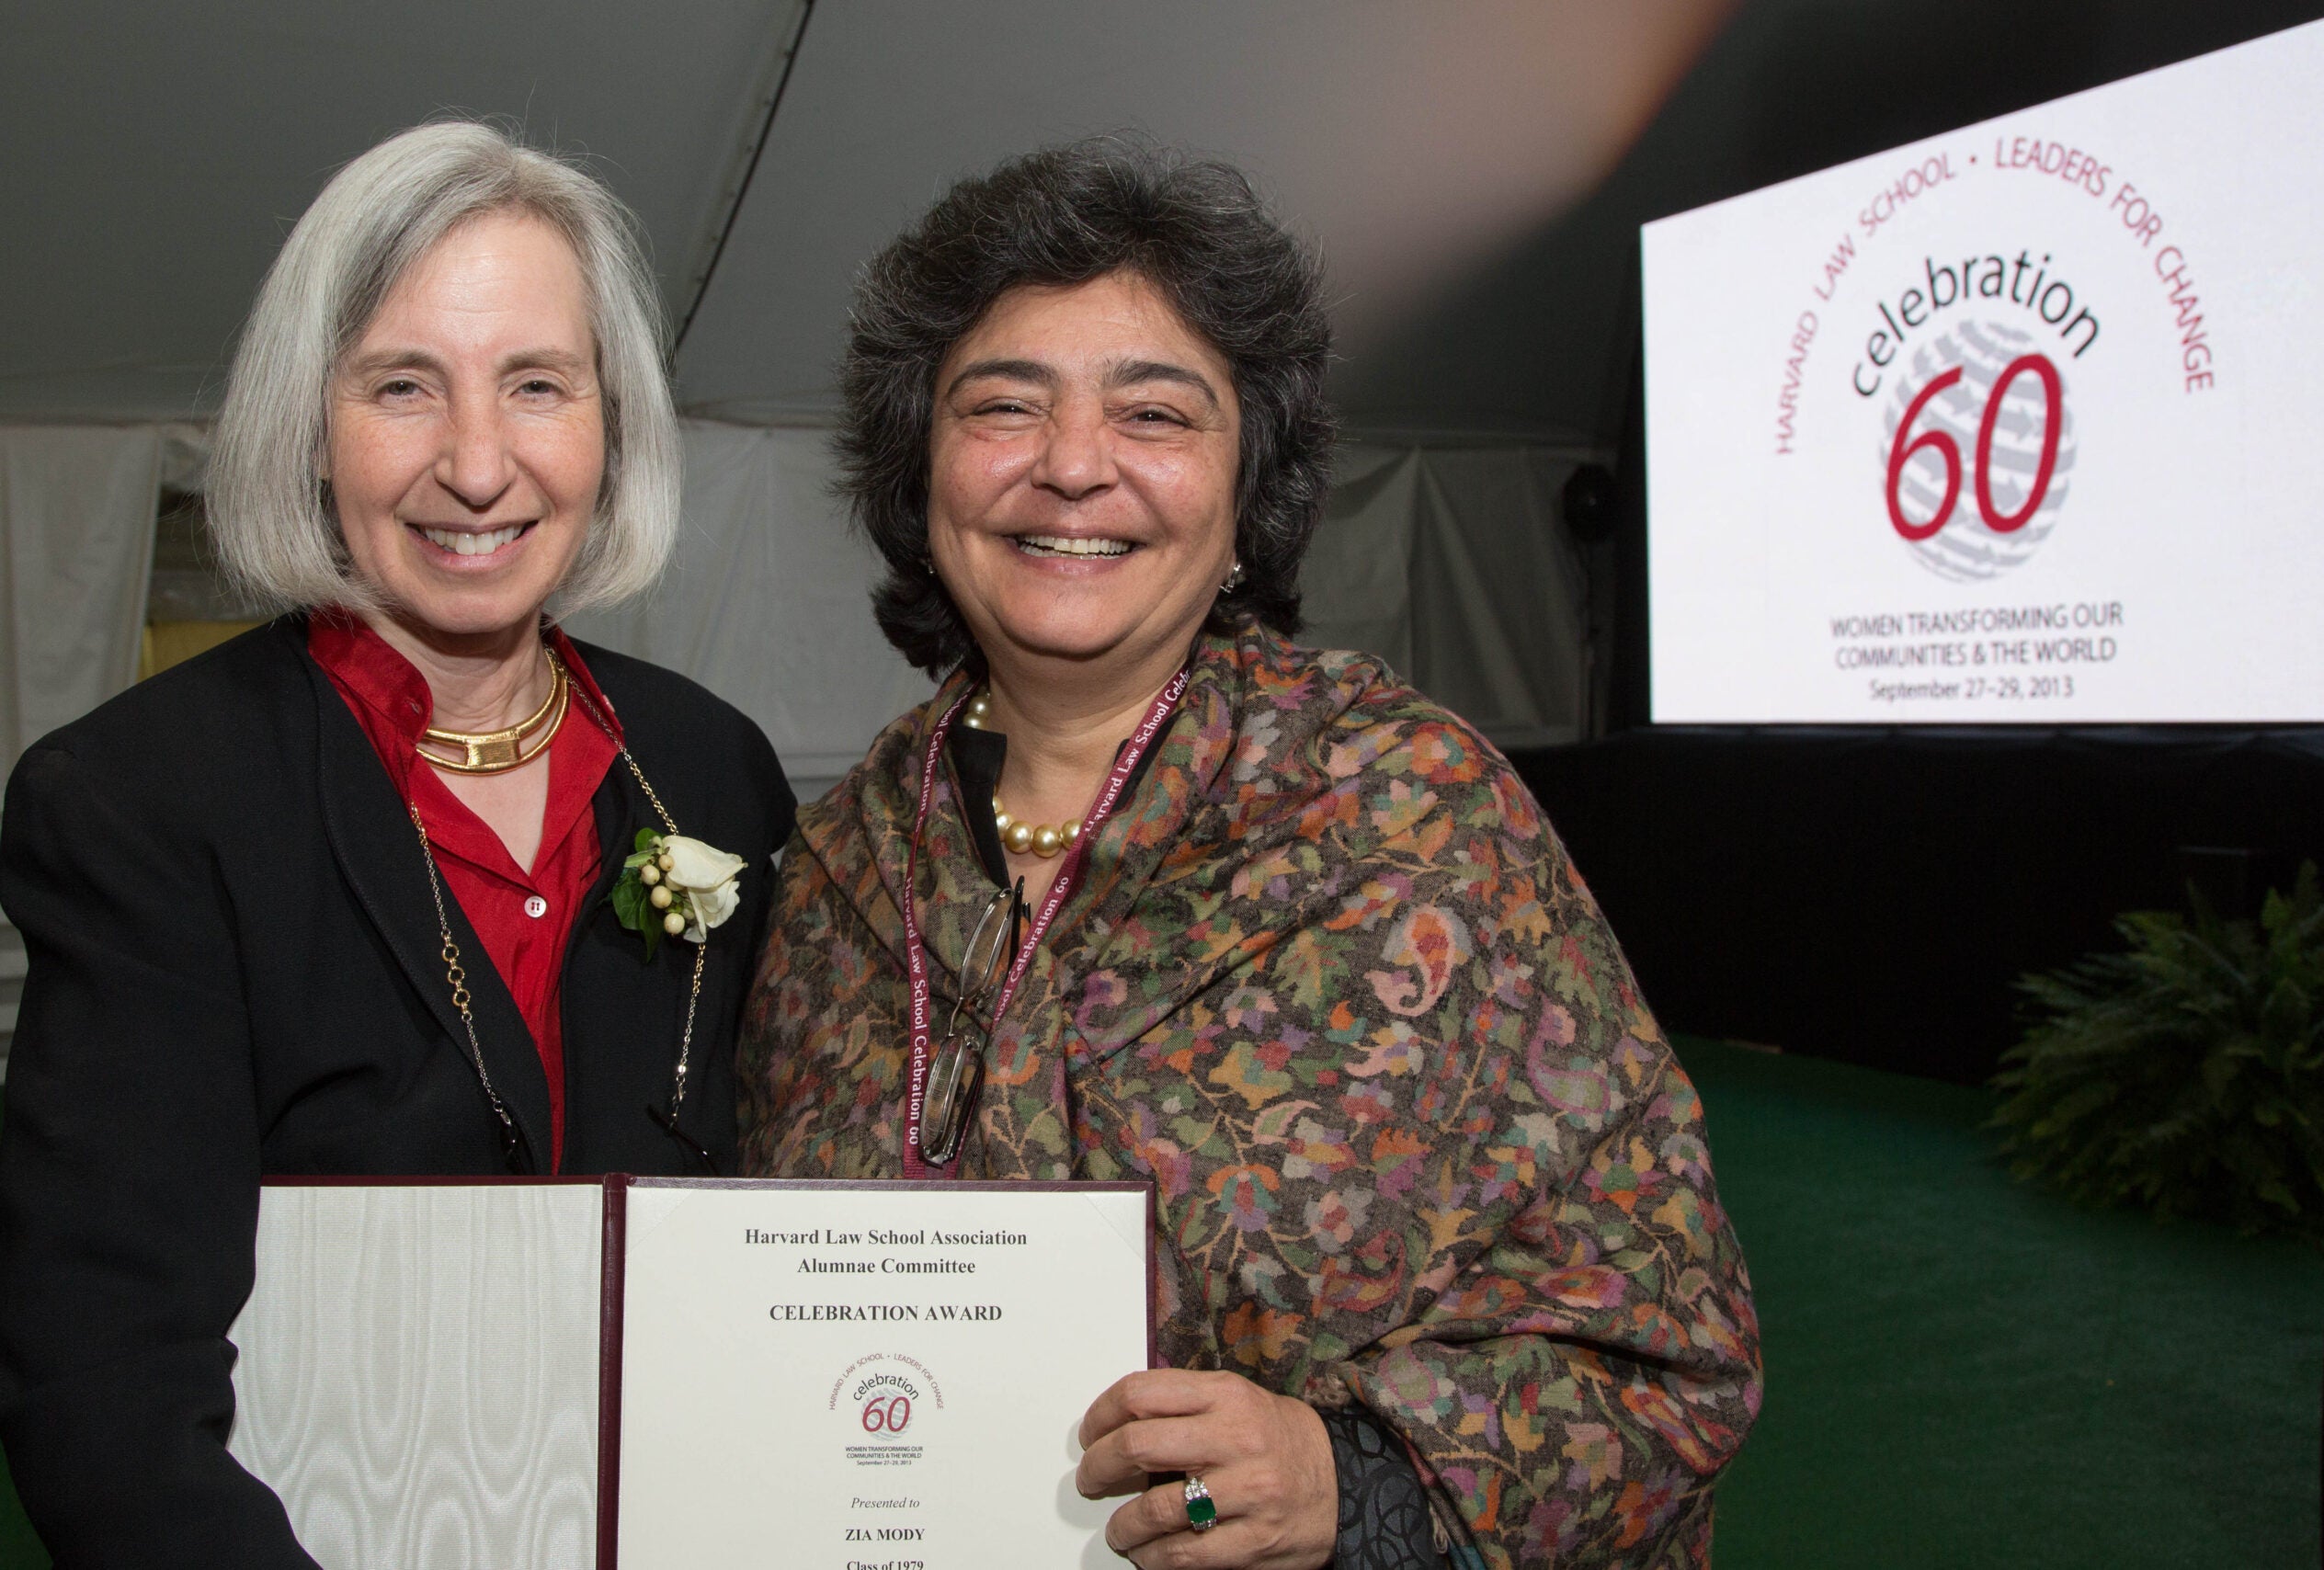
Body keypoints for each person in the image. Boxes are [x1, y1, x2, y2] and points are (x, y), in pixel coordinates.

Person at [737, 142, 1760, 1570]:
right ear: (922, 474)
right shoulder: (842, 863)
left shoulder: (1408, 817)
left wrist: (1353, 1485)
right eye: (1002, 406)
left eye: (1154, 412)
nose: (1074, 464)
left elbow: (1672, 1361)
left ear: (1246, 493)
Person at [0, 121, 795, 1566]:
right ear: (309, 425)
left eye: (537, 385)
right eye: (403, 387)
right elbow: (105, 1388)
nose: (477, 465)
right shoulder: (143, 800)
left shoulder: (712, 771)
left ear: (611, 425)